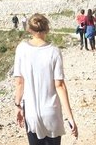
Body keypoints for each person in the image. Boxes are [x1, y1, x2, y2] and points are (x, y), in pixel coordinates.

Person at [14, 13, 78, 144]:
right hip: (51, 112)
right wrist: (70, 118)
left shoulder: (21, 49)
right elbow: (60, 86)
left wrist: (17, 105)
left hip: (31, 113)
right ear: (47, 28)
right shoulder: (54, 51)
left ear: (29, 29)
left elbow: (20, 83)